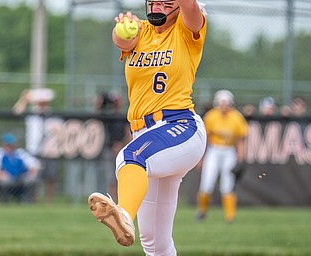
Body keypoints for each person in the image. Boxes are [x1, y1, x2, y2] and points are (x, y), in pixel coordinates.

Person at [88, 1, 207, 255]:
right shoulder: (141, 30)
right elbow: (122, 42)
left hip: (180, 125)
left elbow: (191, 10)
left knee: (130, 156)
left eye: (166, 3)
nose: (158, 8)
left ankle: (123, 214)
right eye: (154, 2)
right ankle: (125, 219)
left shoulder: (186, 30)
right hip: (145, 132)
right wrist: (122, 29)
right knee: (155, 243)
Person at [196, 90, 248, 223]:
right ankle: (202, 211)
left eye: (226, 103)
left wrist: (240, 160)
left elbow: (241, 140)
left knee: (227, 185)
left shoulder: (237, 117)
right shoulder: (211, 116)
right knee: (207, 183)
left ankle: (230, 216)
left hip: (229, 151)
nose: (224, 106)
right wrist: (201, 157)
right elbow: (205, 139)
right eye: (221, 103)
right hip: (214, 150)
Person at [13, 88, 59, 204]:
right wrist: (24, 99)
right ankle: (34, 201)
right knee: (33, 177)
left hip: (49, 150)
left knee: (50, 177)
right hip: (33, 149)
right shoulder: (31, 113)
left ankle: (49, 202)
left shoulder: (52, 114)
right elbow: (16, 112)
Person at [0, 133, 41, 202]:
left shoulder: (20, 153)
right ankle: (5, 200)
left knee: (32, 179)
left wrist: (32, 172)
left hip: (20, 177)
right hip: (6, 177)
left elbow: (34, 164)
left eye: (10, 145)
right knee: (4, 181)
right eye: (7, 145)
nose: (8, 147)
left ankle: (29, 200)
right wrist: (2, 175)